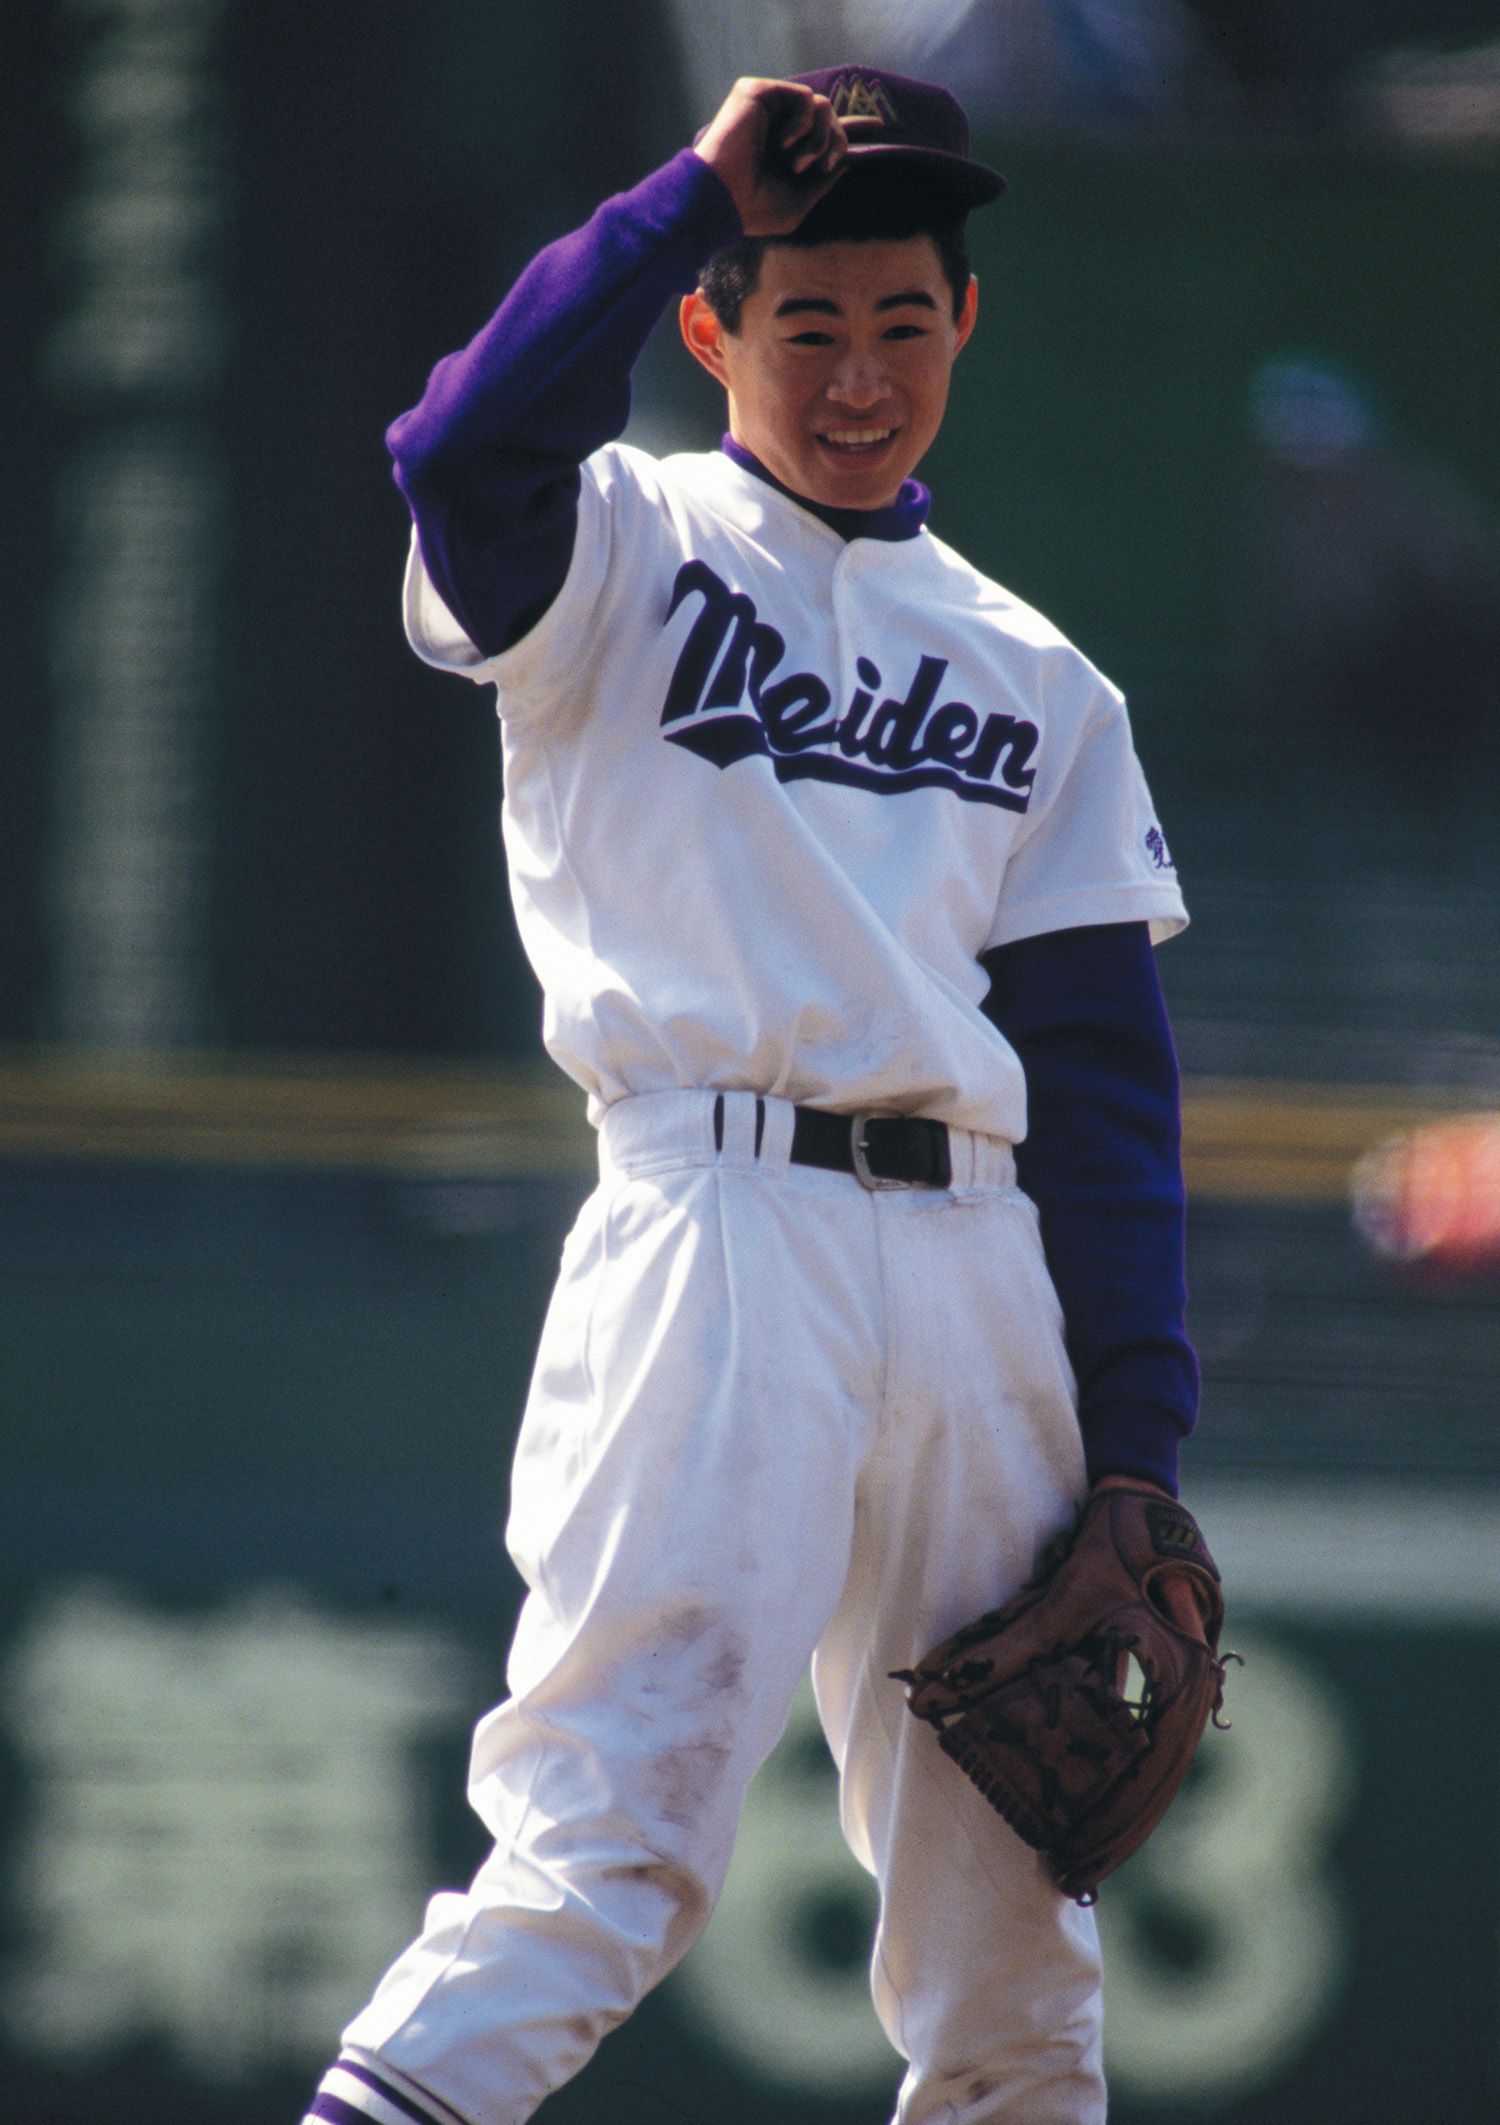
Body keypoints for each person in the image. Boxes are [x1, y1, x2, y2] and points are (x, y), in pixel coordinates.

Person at [302, 66, 1202, 2125]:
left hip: (978, 1282)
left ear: (967, 322)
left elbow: (1107, 1100)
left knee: (1016, 1971)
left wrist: (1135, 1447)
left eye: (902, 319)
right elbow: (456, 437)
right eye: (808, 321)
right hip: (716, 1239)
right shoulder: (613, 544)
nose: (862, 370)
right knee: (604, 1859)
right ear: (713, 330)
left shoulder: (1044, 681)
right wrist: (674, 200)